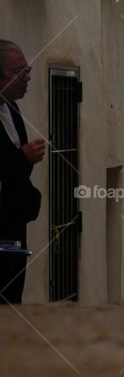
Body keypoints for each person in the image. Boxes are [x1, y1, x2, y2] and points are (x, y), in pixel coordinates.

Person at [0, 40, 45, 304]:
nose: (27, 78)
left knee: (13, 290)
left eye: (27, 69)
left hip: (14, 228)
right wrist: (22, 158)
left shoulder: (12, 107)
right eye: (18, 72)